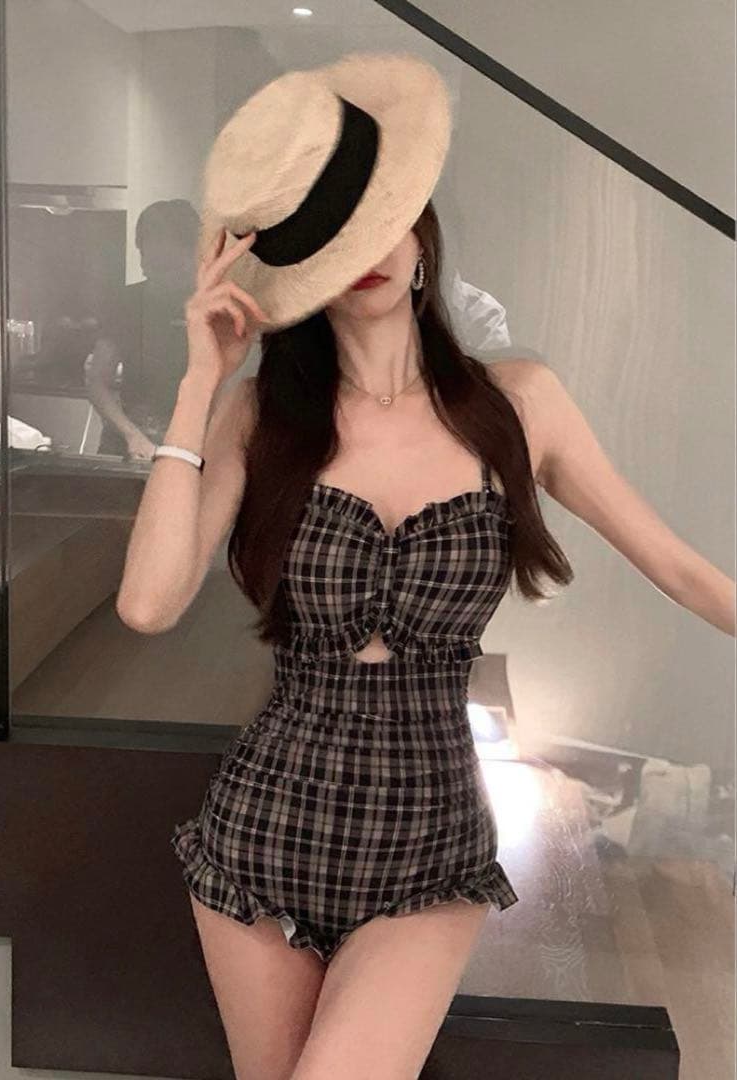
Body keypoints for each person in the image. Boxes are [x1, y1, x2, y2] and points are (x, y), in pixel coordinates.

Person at [116, 53, 736, 1079]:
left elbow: (676, 565)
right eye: (333, 241)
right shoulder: (262, 414)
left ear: (421, 230)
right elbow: (147, 604)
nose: (366, 255)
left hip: (428, 833)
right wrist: (200, 381)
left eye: (380, 222)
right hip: (268, 819)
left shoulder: (517, 402)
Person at [86, 199, 199, 459]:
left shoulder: (209, 306)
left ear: (192, 255)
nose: (161, 277)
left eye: (171, 267)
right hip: (128, 440)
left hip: (189, 440)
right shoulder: (126, 303)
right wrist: (132, 435)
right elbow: (97, 382)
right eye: (151, 265)